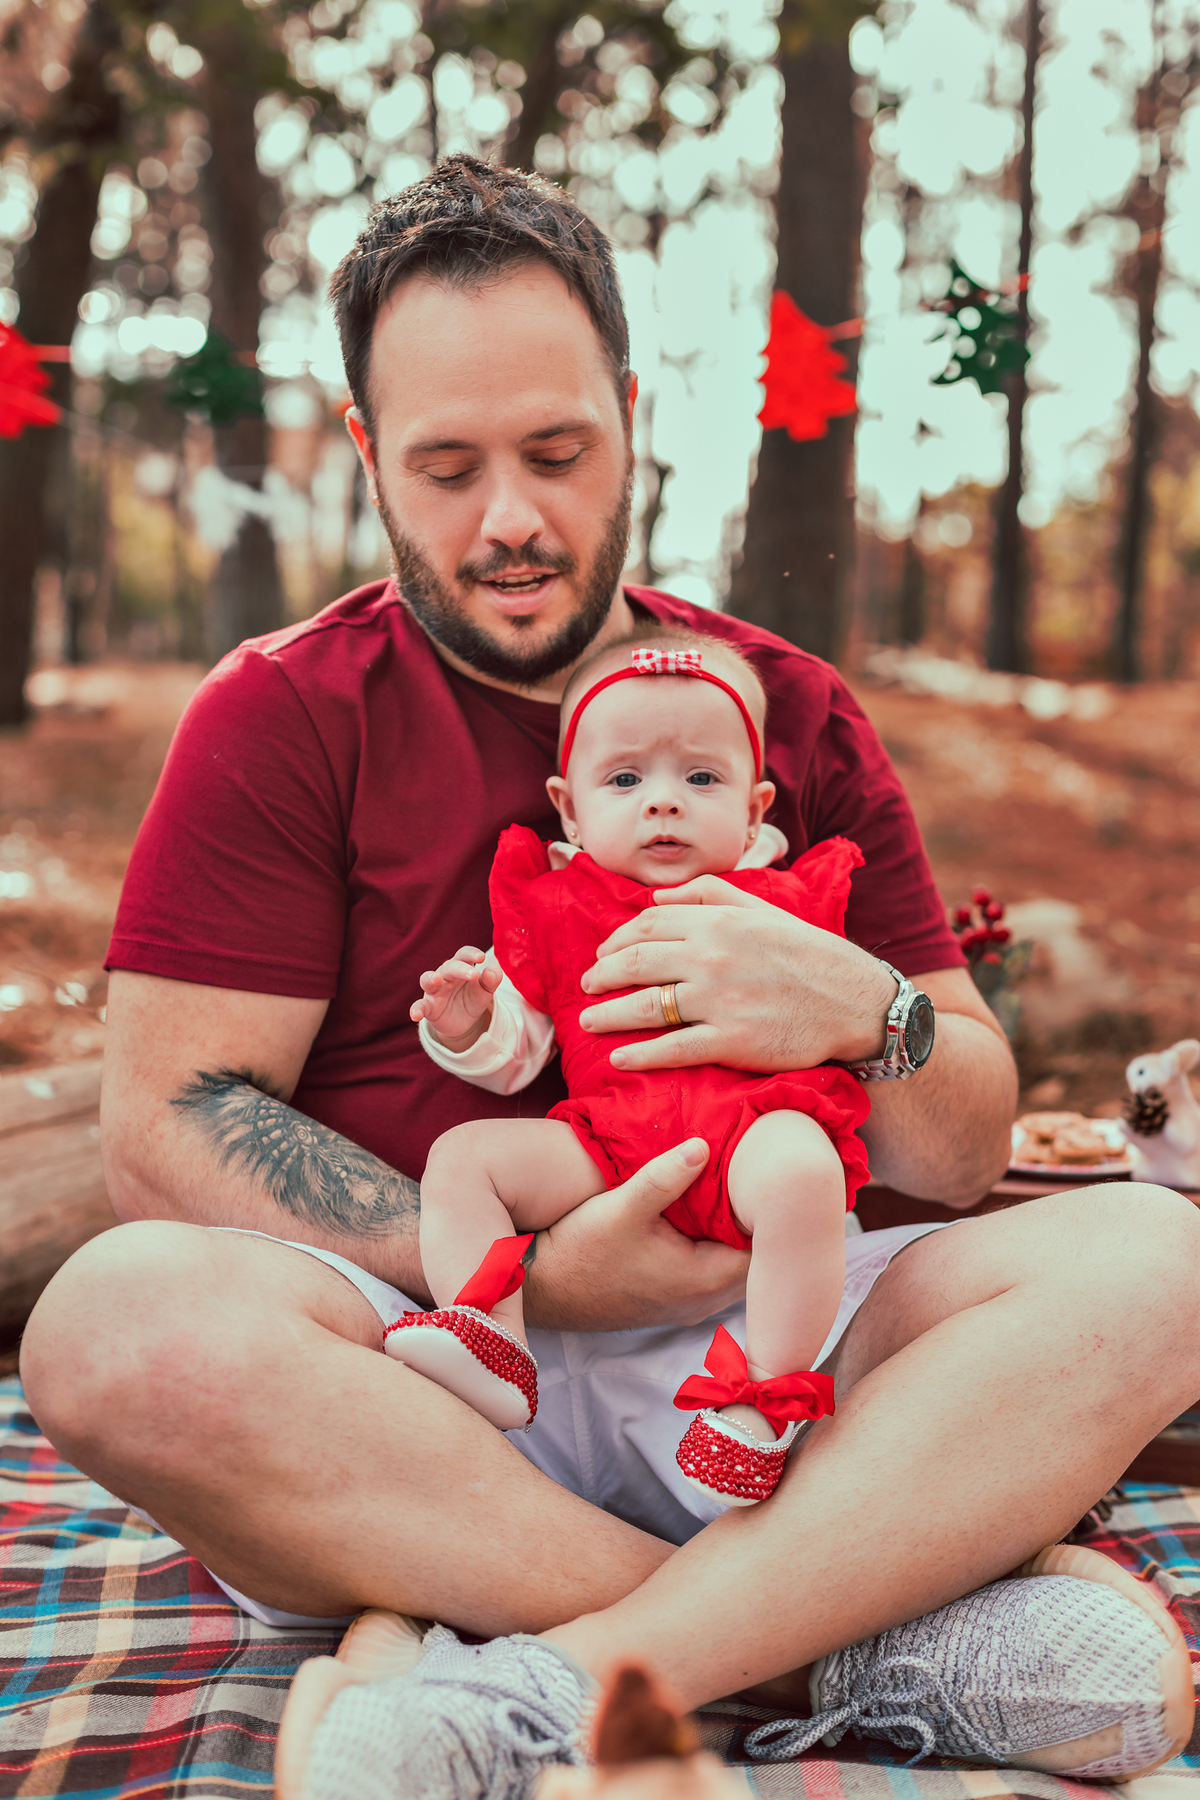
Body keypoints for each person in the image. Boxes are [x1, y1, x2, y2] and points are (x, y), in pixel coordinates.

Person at [18, 157, 1200, 1798]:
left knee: (1160, 1258)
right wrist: (543, 1276)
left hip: (780, 1353)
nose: (511, 517)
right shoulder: (285, 715)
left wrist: (869, 1011)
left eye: (559, 453)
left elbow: (956, 1149)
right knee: (110, 1329)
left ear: (634, 416)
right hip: (425, 1382)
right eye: (445, 467)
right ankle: (833, 1637)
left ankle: (536, 1684)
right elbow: (165, 1126)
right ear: (365, 456)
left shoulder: (787, 711)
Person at [405, 625, 876, 1506]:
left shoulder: (784, 908)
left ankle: (758, 1407)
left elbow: (836, 1013)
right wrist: (469, 1025)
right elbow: (519, 1060)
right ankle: (488, 1333)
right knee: (463, 1159)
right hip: (609, 1147)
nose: (663, 803)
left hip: (752, 1135)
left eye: (701, 778)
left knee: (806, 1174)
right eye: (625, 780)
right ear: (571, 807)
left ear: (755, 809)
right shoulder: (553, 909)